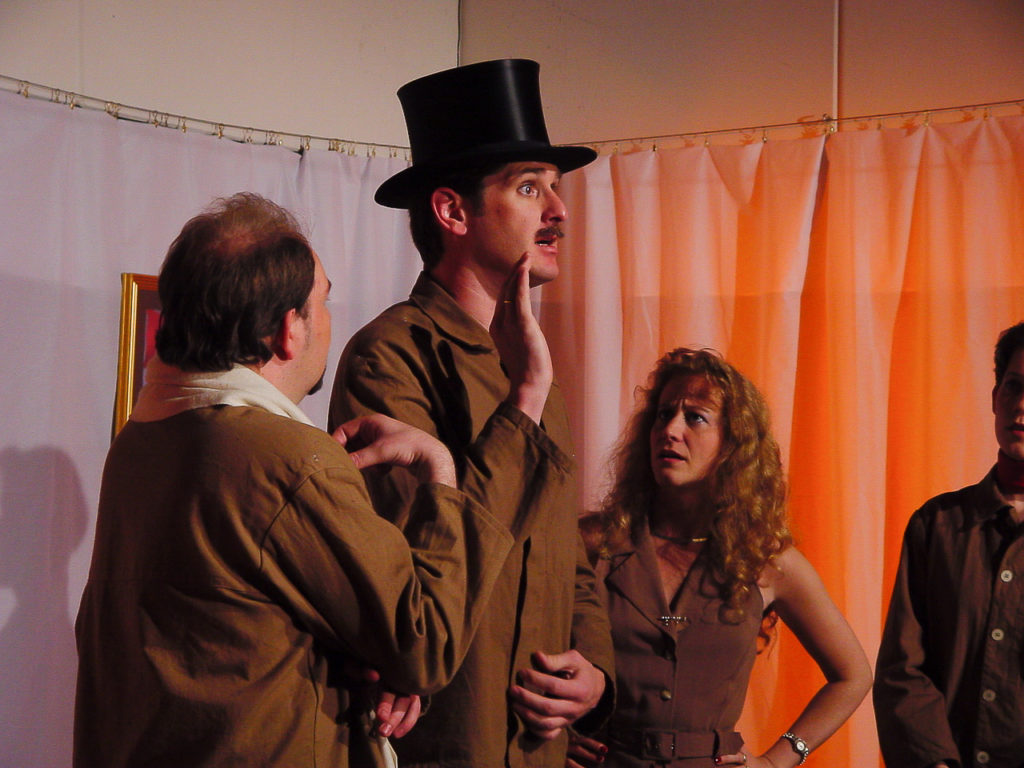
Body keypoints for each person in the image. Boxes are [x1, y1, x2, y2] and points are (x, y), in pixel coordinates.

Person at [73, 192, 570, 768]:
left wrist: (359, 657)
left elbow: (236, 631)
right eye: (323, 302)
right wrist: (443, 464)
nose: (328, 320)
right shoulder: (287, 458)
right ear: (289, 330)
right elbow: (424, 642)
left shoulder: (141, 443)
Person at [329, 58, 615, 767]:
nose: (559, 211)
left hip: (541, 748)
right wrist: (524, 401)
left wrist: (595, 673)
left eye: (555, 187)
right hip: (453, 743)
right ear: (453, 212)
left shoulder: (528, 365)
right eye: (529, 187)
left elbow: (567, 554)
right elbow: (423, 568)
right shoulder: (390, 357)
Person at [568, 348, 872, 767]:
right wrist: (556, 735)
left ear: (733, 444)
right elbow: (517, 645)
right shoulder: (593, 542)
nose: (670, 430)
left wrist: (779, 760)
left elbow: (854, 675)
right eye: (663, 414)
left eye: (695, 417)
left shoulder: (765, 560)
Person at [874, 322, 1024, 767]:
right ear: (995, 398)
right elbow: (903, 668)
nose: (1021, 405)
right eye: (1014, 386)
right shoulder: (937, 525)